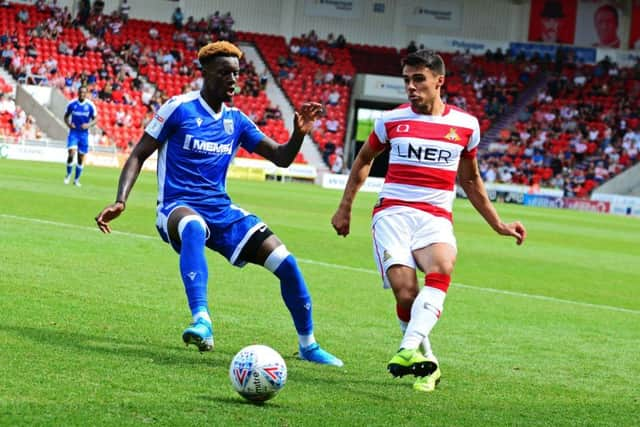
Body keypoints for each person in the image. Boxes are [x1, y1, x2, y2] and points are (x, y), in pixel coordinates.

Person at [95, 41, 343, 367]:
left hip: (222, 210)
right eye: (225, 73)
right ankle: (202, 320)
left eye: (236, 74)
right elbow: (139, 153)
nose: (233, 80)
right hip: (177, 206)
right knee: (193, 226)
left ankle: (308, 345)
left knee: (286, 263)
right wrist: (120, 201)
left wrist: (299, 135)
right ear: (205, 73)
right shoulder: (178, 108)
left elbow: (281, 158)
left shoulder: (237, 120)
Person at [330, 50, 526, 392]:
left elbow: (470, 180)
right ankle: (427, 362)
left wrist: (498, 224)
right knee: (406, 294)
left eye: (418, 79)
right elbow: (364, 159)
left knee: (443, 266)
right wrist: (345, 207)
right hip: (392, 214)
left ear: (439, 80)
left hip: (435, 216)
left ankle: (407, 349)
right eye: (406, 79)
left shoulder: (466, 126)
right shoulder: (390, 121)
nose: (410, 86)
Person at [64, 85, 97, 186]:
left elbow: (95, 119)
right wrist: (69, 124)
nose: (82, 94)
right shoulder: (72, 104)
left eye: (84, 92)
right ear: (78, 93)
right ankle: (68, 175)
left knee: (80, 157)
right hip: (74, 133)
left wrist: (88, 125)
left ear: (86, 94)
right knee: (71, 153)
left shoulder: (90, 106)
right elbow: (65, 117)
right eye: (81, 92)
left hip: (84, 134)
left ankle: (76, 179)